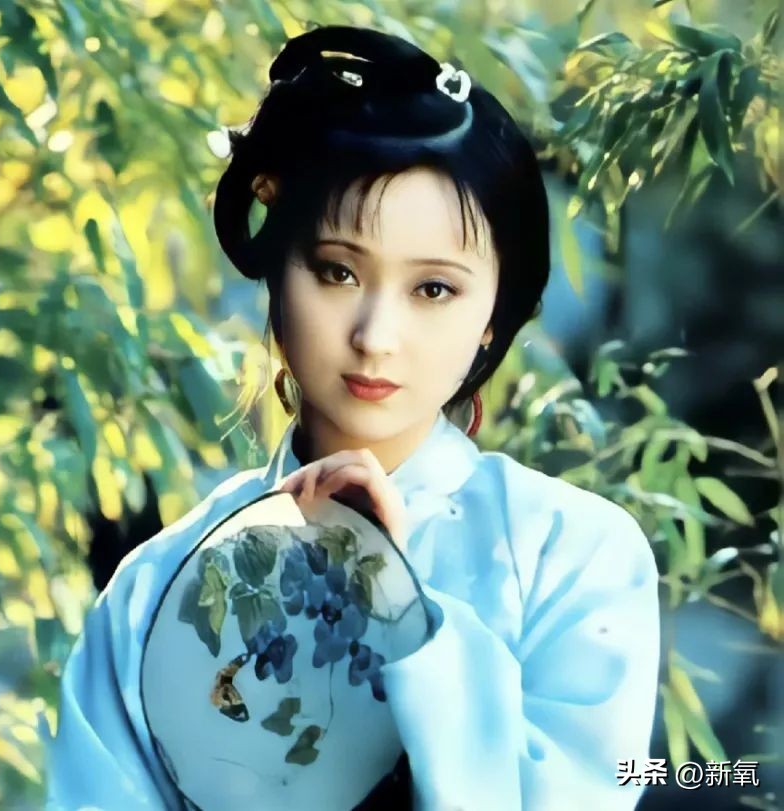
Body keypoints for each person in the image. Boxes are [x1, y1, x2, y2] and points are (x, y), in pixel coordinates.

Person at [44, 25, 661, 811]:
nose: (376, 335)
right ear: (276, 269)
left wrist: (401, 607)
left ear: (493, 316)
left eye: (433, 289)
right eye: (337, 271)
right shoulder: (154, 589)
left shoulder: (571, 553)